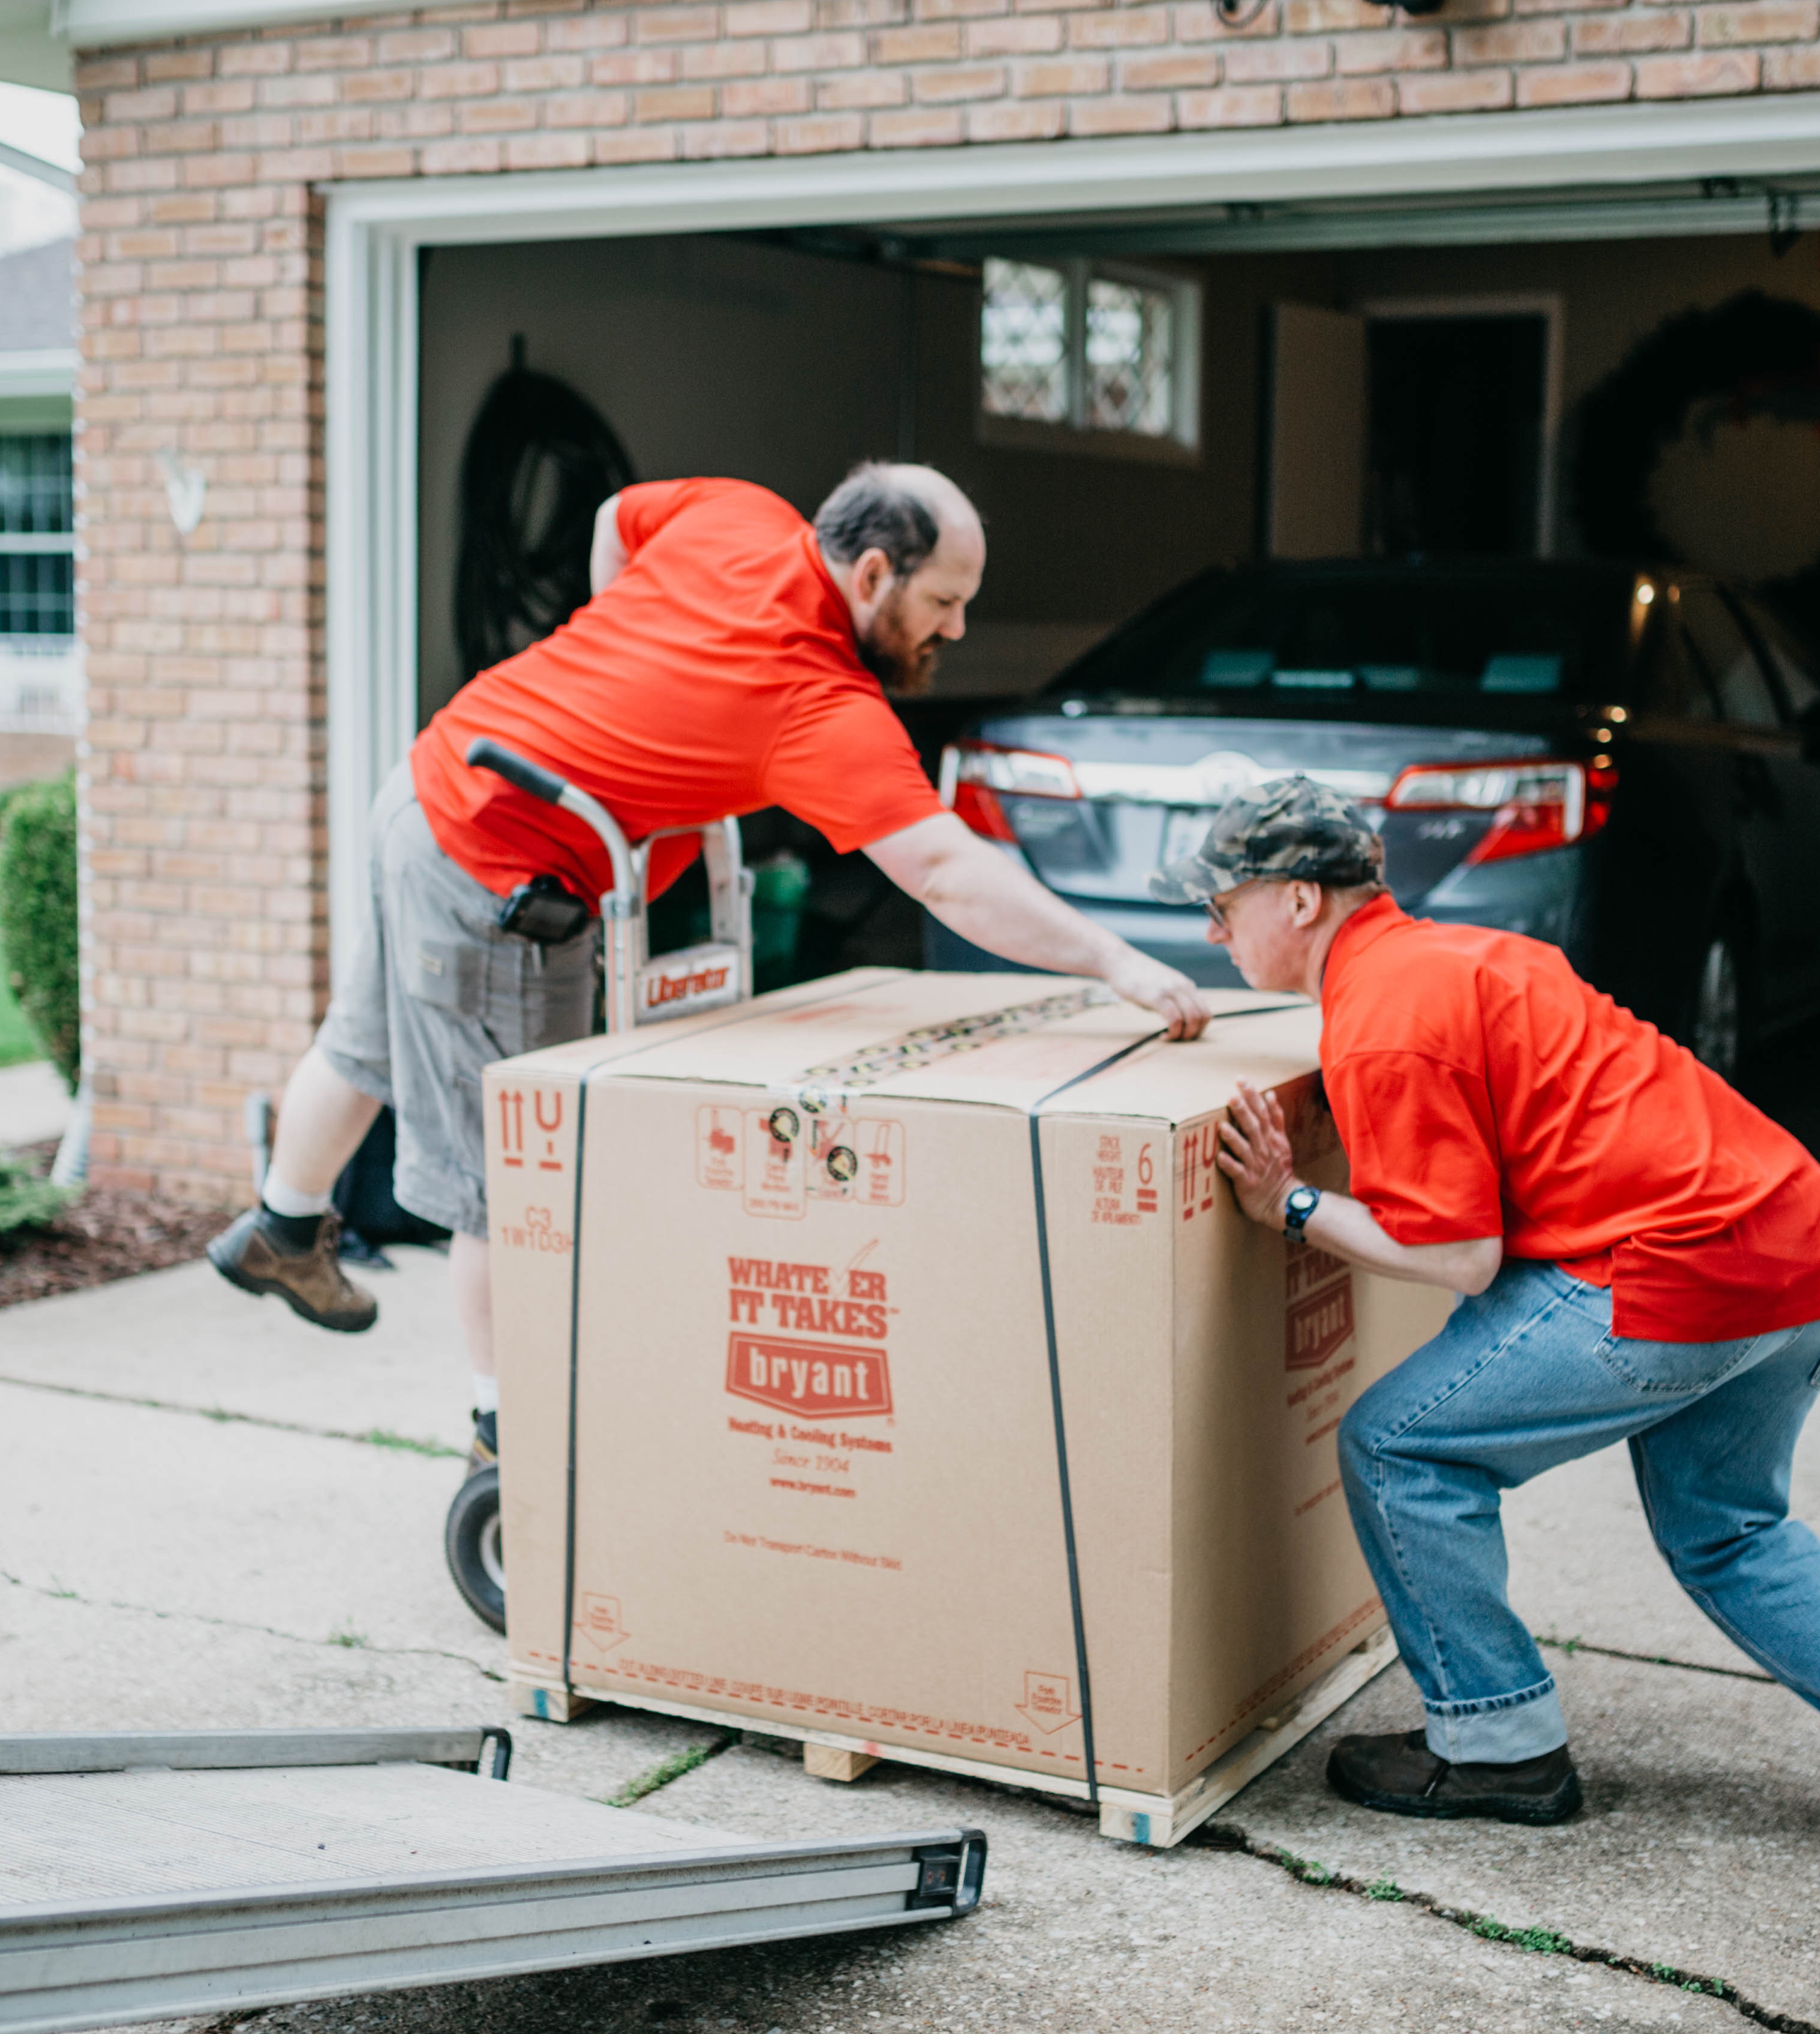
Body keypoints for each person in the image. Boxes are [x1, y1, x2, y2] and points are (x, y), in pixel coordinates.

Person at [211, 461, 1211, 1461]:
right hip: (498, 870)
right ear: (871, 576)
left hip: (434, 779)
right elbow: (947, 872)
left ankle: (284, 1227)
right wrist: (1113, 963)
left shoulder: (739, 513)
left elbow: (614, 521)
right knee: (515, 1178)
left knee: (367, 1042)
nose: (953, 631)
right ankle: (506, 1449)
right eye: (944, 602)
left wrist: (632, 673)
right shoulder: (816, 701)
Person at [1166, 777, 1820, 1838]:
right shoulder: (1470, 955)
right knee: (1729, 1530)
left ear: (1300, 900)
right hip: (1801, 1253)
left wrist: (1289, 1204)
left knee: (1399, 1449)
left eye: (1222, 902)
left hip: (1679, 1272)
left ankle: (1495, 1750)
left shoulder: (1383, 1017)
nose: (1212, 929)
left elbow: (1463, 1258)